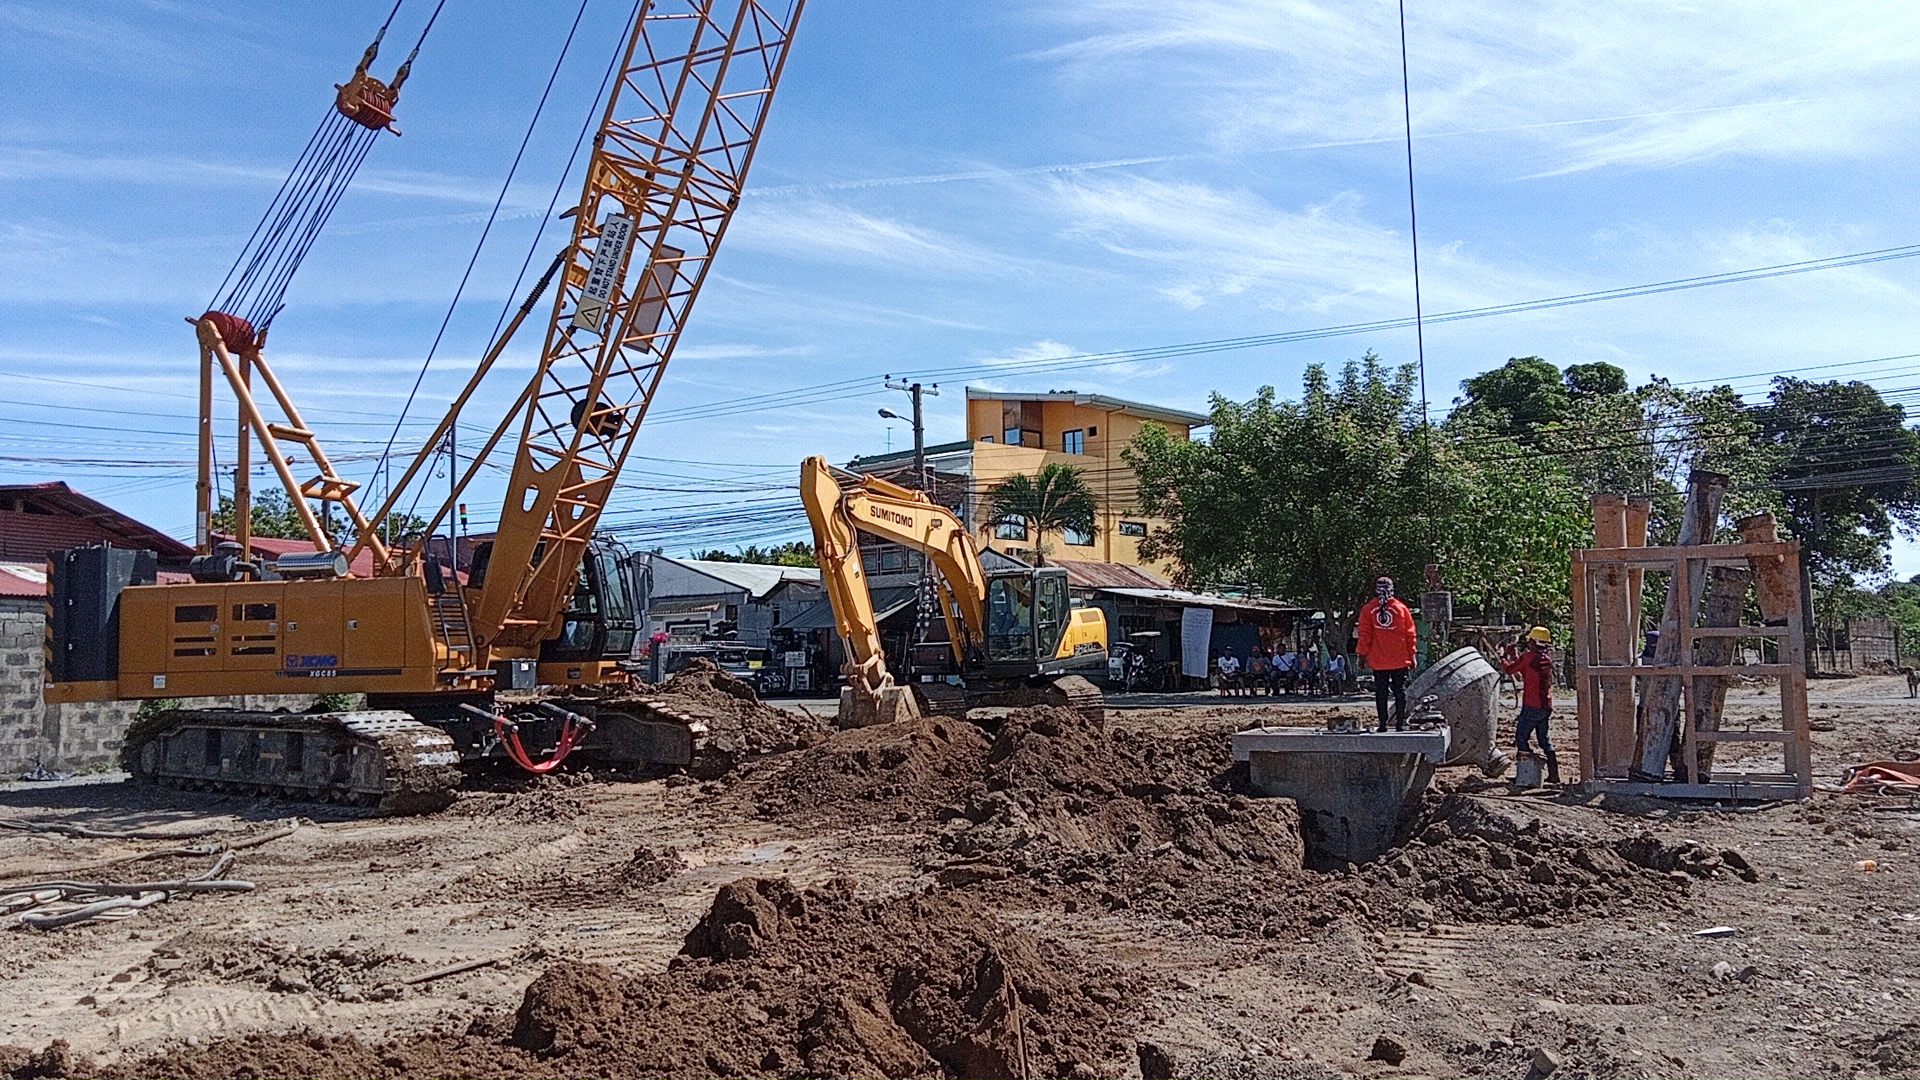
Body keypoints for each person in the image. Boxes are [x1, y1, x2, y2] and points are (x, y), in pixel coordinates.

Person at [1357, 575, 1418, 731]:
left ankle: (1383, 724)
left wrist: (1361, 656)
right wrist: (1412, 655)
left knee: (1381, 693)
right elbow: (1410, 634)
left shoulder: (1368, 610)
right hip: (1400, 659)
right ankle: (1400, 724)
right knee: (1400, 692)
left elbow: (1364, 636)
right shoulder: (1401, 609)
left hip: (1379, 661)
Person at [1503, 626, 1560, 784]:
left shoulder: (1528, 657)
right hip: (1546, 706)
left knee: (1521, 739)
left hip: (1531, 706)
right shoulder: (1546, 659)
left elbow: (1509, 670)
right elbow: (1526, 671)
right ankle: (1554, 775)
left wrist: (1503, 657)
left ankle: (1528, 773)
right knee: (1544, 739)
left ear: (1534, 642)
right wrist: (1515, 656)